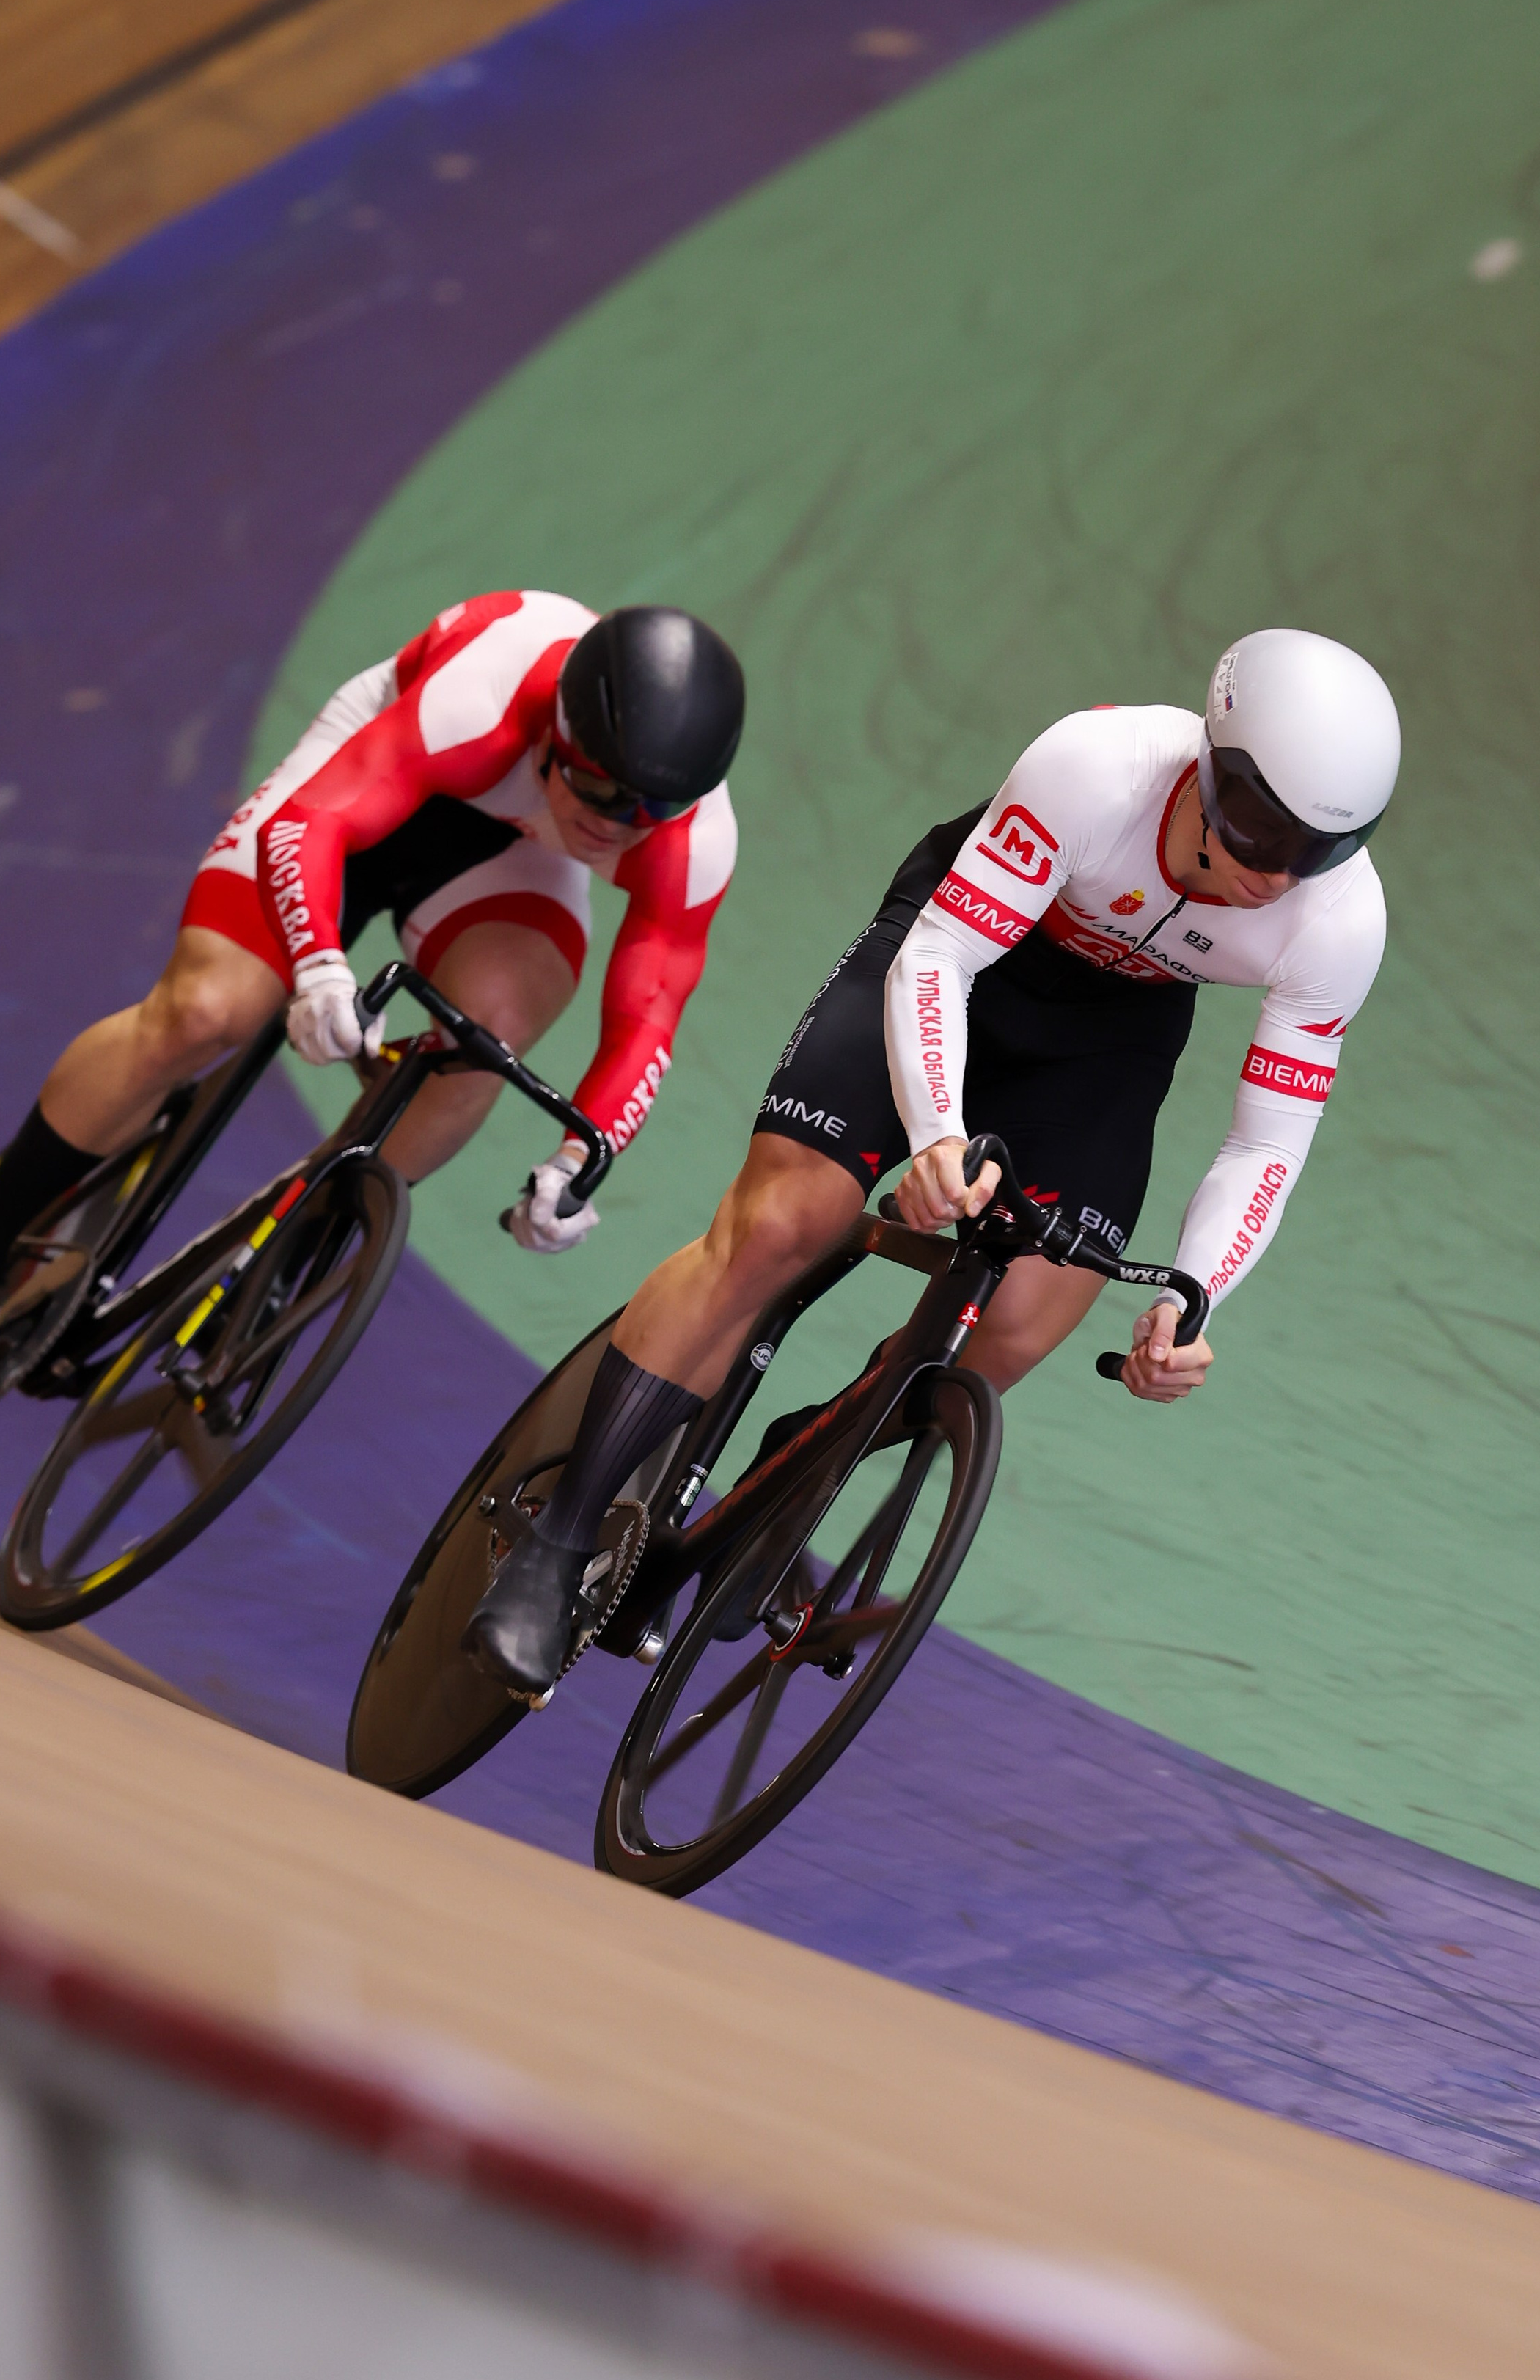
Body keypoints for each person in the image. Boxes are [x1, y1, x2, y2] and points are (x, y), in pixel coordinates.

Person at [465, 626, 1398, 1696]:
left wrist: (1193, 1296)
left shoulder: (1339, 922)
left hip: (1108, 1043)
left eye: (1313, 850)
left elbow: (1268, 1140)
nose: (1272, 872)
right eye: (1255, 825)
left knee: (1013, 1329)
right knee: (781, 1225)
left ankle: (800, 1454)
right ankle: (559, 1541)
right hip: (958, 950)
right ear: (1206, 763)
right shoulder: (1097, 768)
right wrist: (941, 1136)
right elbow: (944, 959)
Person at [0, 593, 745, 1399]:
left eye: (648, 809)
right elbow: (314, 824)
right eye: (598, 787)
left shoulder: (690, 834)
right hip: (369, 785)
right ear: (559, 732)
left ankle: (285, 1251)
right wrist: (319, 966)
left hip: (516, 855)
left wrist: (576, 1163)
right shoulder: (481, 698)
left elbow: (648, 1013)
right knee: (207, 1013)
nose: (615, 822)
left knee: (484, 1045)